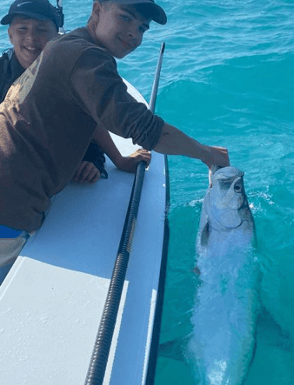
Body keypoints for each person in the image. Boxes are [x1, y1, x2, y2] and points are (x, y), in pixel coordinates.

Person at [0, 0, 229, 266]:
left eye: (142, 28)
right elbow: (146, 129)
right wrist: (207, 154)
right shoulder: (87, 57)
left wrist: (118, 158)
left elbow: (87, 112)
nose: (134, 33)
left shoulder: (67, 45)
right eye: (125, 18)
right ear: (97, 10)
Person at [0, 0, 151, 186]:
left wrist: (100, 160)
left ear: (56, 35)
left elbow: (90, 117)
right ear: (10, 35)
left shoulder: (74, 68)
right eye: (22, 29)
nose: (31, 38)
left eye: (41, 30)